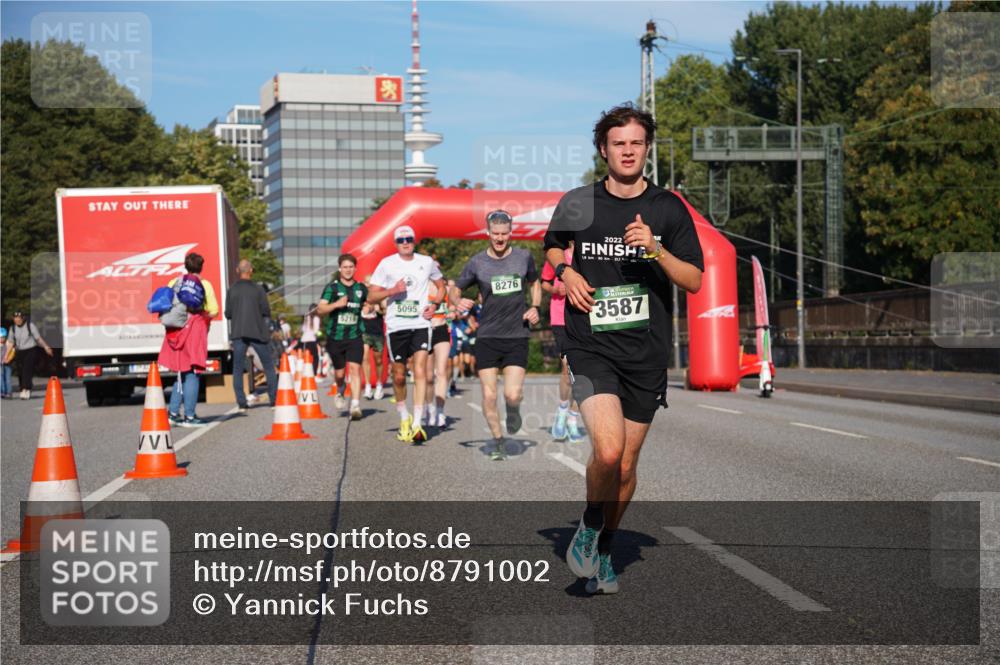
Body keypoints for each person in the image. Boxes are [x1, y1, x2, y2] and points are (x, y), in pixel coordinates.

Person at [544, 104, 704, 594]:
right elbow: (551, 248)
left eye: (636, 142)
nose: (628, 150)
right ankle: (590, 528)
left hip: (645, 352)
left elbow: (694, 280)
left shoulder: (668, 208)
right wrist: (567, 272)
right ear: (603, 150)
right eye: (619, 143)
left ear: (647, 148)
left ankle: (605, 547)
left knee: (628, 466)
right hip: (591, 344)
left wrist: (656, 249)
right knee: (608, 451)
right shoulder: (579, 202)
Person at [452, 210, 541, 461]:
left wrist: (535, 307)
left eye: (504, 234)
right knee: (489, 395)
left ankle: (513, 410)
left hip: (516, 335)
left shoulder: (524, 257)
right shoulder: (477, 263)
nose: (500, 238)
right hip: (488, 336)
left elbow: (534, 283)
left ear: (510, 233)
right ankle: (498, 439)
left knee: (512, 394)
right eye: (495, 234)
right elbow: (454, 290)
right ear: (488, 233)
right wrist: (457, 302)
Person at [367, 225, 444, 443]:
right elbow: (371, 297)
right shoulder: (387, 264)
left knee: (420, 370)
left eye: (409, 239)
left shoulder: (426, 262)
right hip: (395, 326)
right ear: (395, 243)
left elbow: (441, 285)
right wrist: (392, 291)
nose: (405, 242)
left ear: (414, 240)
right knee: (399, 376)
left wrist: (436, 303)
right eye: (401, 240)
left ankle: (418, 423)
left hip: (420, 323)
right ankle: (404, 417)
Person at [160, 253, 219, 427]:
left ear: (186, 266)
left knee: (180, 371)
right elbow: (214, 310)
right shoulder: (205, 284)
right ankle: (190, 416)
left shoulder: (174, 282)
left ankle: (172, 413)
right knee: (193, 372)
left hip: (175, 330)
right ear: (201, 266)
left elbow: (166, 304)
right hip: (194, 330)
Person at [541, 243, 584, 444]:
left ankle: (573, 420)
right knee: (568, 366)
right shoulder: (557, 255)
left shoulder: (590, 252)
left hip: (586, 316)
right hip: (561, 317)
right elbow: (544, 283)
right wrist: (555, 288)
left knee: (582, 371)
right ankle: (562, 409)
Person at [317, 254, 368, 420]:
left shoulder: (361, 288)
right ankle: (340, 389)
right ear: (340, 268)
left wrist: (374, 307)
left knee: (354, 370)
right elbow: (320, 309)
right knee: (340, 374)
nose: (348, 270)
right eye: (345, 267)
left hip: (355, 335)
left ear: (355, 268)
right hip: (335, 337)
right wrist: (336, 304)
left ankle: (355, 406)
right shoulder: (332, 288)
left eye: (351, 267)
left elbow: (370, 302)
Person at [224, 259, 278, 412]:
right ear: (251, 271)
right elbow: (266, 311)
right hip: (257, 332)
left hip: (238, 332)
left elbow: (228, 314)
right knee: (268, 366)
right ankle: (273, 400)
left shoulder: (232, 290)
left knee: (238, 367)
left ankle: (241, 402)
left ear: (237, 271)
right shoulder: (258, 289)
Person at [425, 273, 452, 428]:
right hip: (425, 331)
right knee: (428, 377)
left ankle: (441, 411)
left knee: (441, 372)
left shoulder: (447, 289)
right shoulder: (421, 288)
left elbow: (453, 305)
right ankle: (430, 409)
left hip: (442, 330)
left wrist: (454, 311)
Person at [9, 311, 54, 400]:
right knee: (20, 371)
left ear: (23, 318)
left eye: (19, 318)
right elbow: (10, 343)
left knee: (27, 370)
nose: (17, 320)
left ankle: (27, 389)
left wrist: (46, 347)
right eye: (15, 318)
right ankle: (22, 388)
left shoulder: (30, 326)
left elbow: (38, 338)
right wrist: (5, 356)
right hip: (19, 352)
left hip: (30, 350)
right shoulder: (13, 328)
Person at [361, 288, 386, 400]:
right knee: (364, 357)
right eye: (367, 284)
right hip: (364, 333)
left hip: (377, 333)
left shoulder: (379, 300)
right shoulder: (360, 301)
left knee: (378, 360)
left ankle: (379, 384)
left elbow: (385, 310)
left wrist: (379, 309)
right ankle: (367, 386)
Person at [300, 303, 322, 377]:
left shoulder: (307, 317)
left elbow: (303, 329)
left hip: (304, 341)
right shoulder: (316, 318)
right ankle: (314, 373)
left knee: (305, 357)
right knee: (315, 357)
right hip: (312, 340)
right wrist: (320, 333)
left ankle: (305, 373)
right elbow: (316, 331)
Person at [1, 327, 14, 399]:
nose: (2, 339)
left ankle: (9, 392)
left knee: (8, 378)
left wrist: (9, 359)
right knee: (1, 378)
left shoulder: (8, 343)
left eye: (3, 337)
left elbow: (12, 352)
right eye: (0, 337)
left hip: (7, 363)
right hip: (0, 364)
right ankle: (2, 391)